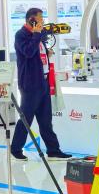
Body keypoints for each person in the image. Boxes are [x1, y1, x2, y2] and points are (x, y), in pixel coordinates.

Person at [10, 8, 71, 162]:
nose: (43, 21)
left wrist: (46, 52)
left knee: (46, 120)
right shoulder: (21, 35)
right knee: (26, 118)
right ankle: (16, 149)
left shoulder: (39, 35)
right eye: (40, 18)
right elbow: (28, 52)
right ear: (32, 20)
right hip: (30, 84)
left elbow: (37, 52)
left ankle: (53, 150)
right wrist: (37, 34)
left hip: (43, 82)